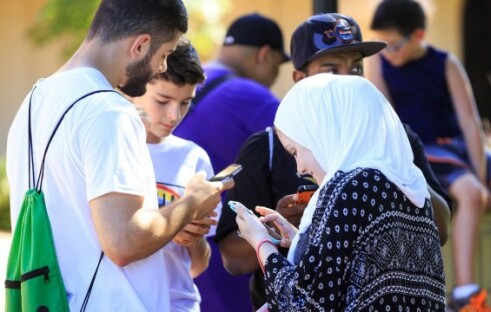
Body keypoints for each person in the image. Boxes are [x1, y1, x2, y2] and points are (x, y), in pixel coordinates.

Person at [215, 12, 452, 310]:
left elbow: (307, 303)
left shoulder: (388, 144)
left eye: (356, 69)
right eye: (330, 71)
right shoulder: (268, 147)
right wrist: (296, 232)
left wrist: (394, 160)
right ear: (300, 80)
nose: (346, 81)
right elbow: (233, 260)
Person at [6, 1, 233, 311]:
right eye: (164, 55)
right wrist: (192, 204)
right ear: (140, 45)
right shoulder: (110, 111)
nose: (163, 67)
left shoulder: (34, 101)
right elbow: (123, 242)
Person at [365, 1, 491, 310]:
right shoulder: (379, 64)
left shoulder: (445, 63)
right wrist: (476, 186)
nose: (388, 52)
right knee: (471, 194)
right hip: (417, 152)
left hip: (452, 148)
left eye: (394, 45)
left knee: (476, 188)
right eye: (383, 45)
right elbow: (387, 124)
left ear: (418, 35)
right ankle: (465, 292)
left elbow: (470, 124)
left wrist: (480, 173)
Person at [173, 13, 290, 312]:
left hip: (178, 264)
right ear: (265, 55)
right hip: (231, 265)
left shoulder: (176, 86)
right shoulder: (252, 97)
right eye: (278, 66)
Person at [131, 38, 217, 311]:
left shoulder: (194, 158)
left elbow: (199, 265)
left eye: (185, 103)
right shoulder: (113, 149)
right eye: (163, 100)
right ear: (134, 86)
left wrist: (193, 238)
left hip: (177, 303)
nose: (173, 114)